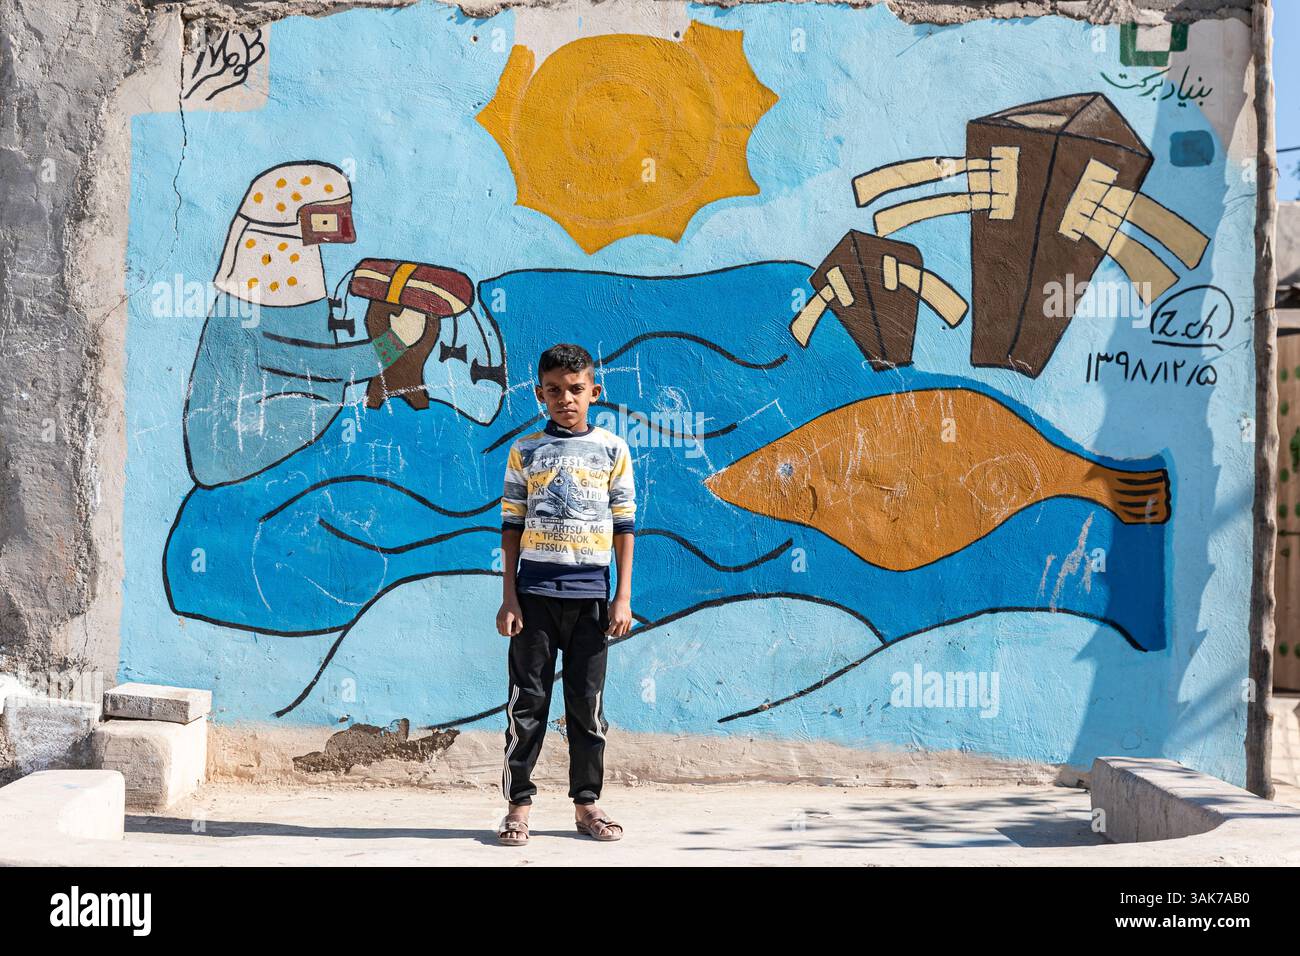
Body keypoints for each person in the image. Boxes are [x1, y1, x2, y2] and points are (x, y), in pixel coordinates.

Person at [494, 343, 636, 845]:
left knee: (586, 705)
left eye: (576, 389)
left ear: (594, 392)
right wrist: (509, 596)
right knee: (526, 704)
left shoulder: (614, 450)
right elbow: (510, 525)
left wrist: (622, 597)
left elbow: (625, 524)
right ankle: (518, 807)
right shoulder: (526, 451)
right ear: (540, 394)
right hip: (534, 597)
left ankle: (587, 806)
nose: (566, 399)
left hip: (593, 600)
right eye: (554, 390)